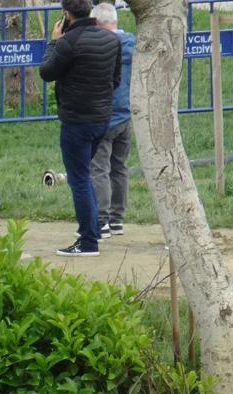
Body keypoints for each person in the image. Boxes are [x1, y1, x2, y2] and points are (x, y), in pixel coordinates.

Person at [40, 0, 122, 257]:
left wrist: (53, 41)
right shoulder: (112, 40)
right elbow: (115, 79)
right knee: (85, 174)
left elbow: (46, 72)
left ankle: (88, 241)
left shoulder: (67, 42)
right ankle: (92, 230)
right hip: (101, 118)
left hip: (76, 120)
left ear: (66, 14)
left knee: (80, 179)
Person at [90, 2, 135, 238]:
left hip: (104, 115)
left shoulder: (100, 46)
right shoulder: (131, 42)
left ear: (97, 23)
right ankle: (118, 219)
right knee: (120, 168)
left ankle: (102, 220)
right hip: (126, 114)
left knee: (99, 169)